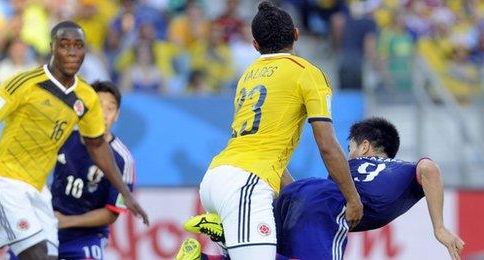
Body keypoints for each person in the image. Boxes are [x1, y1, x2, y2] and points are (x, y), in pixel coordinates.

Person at [0, 21, 148, 260]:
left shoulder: (86, 97)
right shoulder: (24, 83)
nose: (72, 52)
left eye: (78, 46)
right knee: (38, 255)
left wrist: (127, 193)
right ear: (52, 48)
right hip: (4, 177)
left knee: (49, 257)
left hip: (37, 188)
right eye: (65, 45)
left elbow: (96, 145)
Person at [197, 2, 362, 259]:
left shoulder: (247, 75)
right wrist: (353, 199)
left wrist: (293, 192)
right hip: (247, 184)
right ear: (296, 34)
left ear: (255, 44)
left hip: (216, 176)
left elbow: (263, 144)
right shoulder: (307, 73)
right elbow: (327, 145)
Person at [179, 117, 466, 260]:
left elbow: (299, 192)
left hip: (302, 194)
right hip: (328, 205)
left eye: (351, 147)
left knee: (261, 254)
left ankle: (203, 256)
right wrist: (439, 227)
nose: (351, 153)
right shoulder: (401, 168)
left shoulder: (353, 169)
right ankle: (229, 240)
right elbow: (428, 168)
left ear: (366, 146)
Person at [52, 81, 135, 259]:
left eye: (110, 108)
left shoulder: (123, 159)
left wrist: (66, 222)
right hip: (48, 224)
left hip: (87, 237)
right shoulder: (65, 134)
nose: (103, 114)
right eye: (98, 105)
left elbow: (113, 212)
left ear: (117, 115)